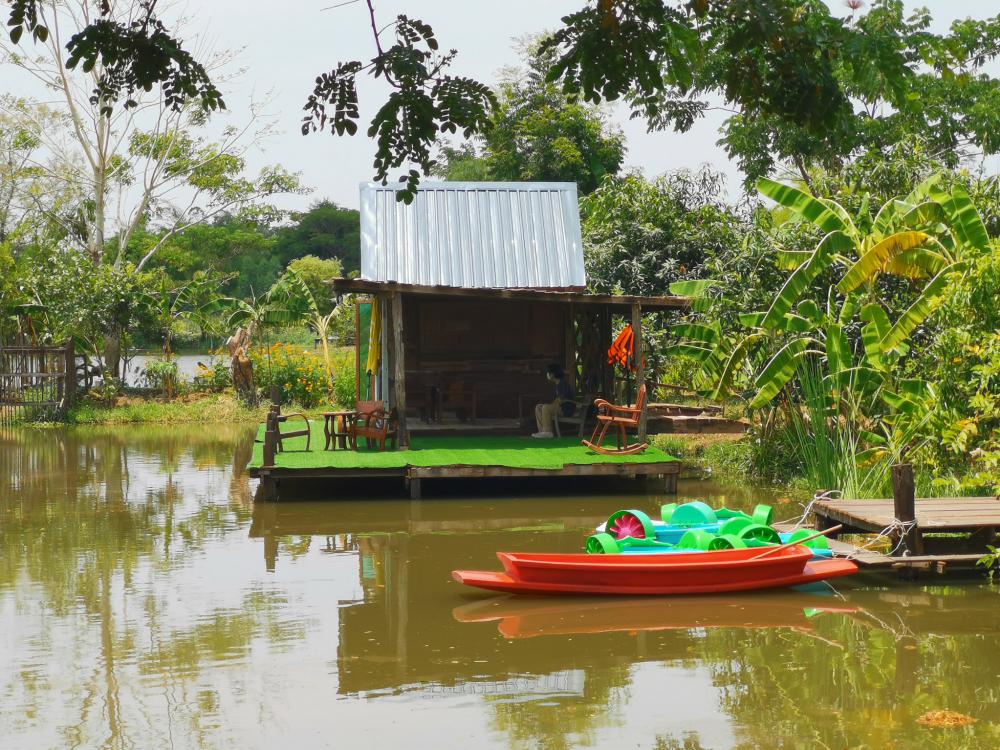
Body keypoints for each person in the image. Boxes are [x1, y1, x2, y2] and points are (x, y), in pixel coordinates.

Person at [532, 364, 576, 438]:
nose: (548, 375)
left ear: (553, 374)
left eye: (549, 373)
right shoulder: (558, 384)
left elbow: (560, 400)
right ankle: (542, 431)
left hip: (565, 409)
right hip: (559, 407)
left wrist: (549, 406)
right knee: (538, 407)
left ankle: (548, 432)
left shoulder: (562, 384)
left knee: (545, 407)